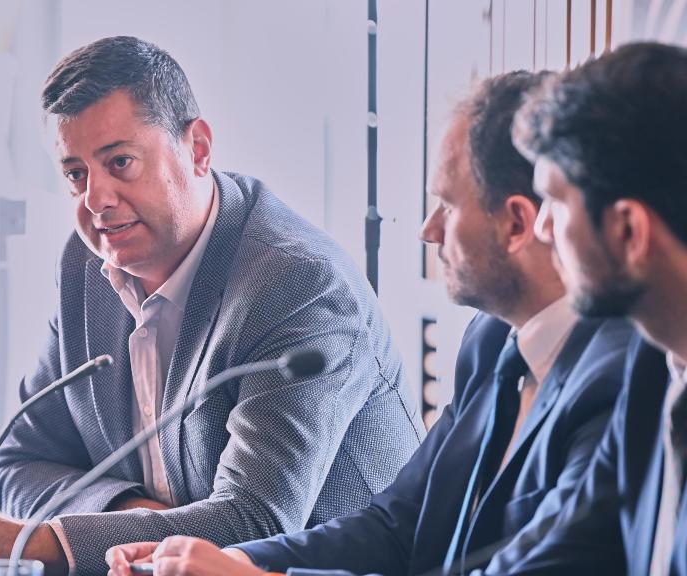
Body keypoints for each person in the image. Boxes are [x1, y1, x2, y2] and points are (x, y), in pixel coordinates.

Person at [0, 35, 424, 576]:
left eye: (120, 162)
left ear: (197, 149)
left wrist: (27, 540)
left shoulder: (297, 284)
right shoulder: (85, 265)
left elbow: (254, 524)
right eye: (76, 175)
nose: (95, 200)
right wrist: (133, 513)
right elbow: (20, 463)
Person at [107, 70, 639, 576]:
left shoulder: (621, 381)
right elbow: (398, 524)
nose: (428, 231)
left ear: (519, 223)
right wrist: (236, 561)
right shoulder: (493, 339)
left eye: (447, 206)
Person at [500, 41, 687, 575]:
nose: (541, 229)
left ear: (628, 230)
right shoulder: (653, 366)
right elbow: (547, 562)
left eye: (556, 202)